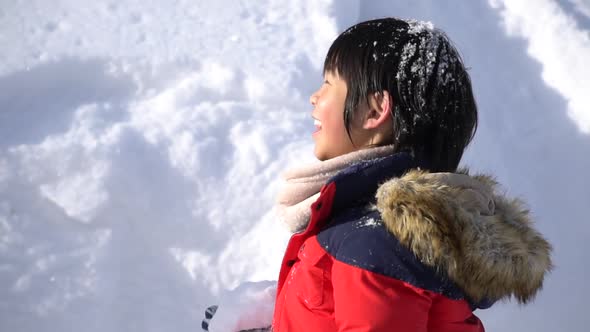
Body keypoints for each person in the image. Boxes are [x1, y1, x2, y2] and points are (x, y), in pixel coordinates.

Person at [271, 17, 552, 332]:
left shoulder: (376, 240)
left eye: (328, 83)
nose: (315, 97)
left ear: (376, 111)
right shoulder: (367, 227)